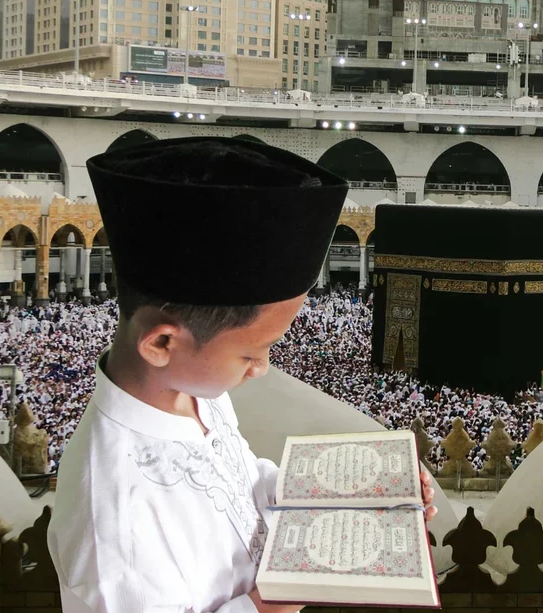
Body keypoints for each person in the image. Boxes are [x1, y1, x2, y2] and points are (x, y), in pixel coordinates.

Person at [47, 137, 437, 613]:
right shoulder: (112, 520)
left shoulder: (196, 393)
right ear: (162, 343)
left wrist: (362, 494)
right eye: (251, 353)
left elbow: (240, 488)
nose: (262, 368)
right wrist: (276, 599)